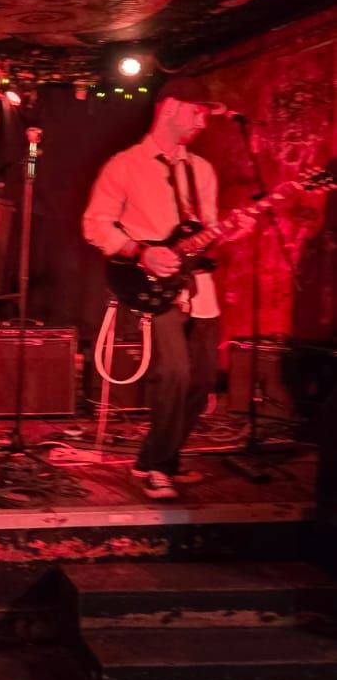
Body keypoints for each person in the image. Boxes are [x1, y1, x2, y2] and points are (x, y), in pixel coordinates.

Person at [82, 76, 253, 500]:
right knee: (174, 373)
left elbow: (206, 232)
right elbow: (94, 224)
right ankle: (159, 466)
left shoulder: (202, 170)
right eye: (198, 112)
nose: (202, 123)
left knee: (202, 382)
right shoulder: (125, 165)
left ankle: (157, 460)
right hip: (154, 289)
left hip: (200, 286)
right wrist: (141, 252)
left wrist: (233, 231)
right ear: (171, 106)